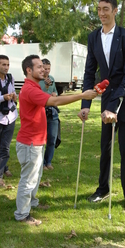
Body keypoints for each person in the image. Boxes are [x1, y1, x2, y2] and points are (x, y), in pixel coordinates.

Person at [14, 55, 97, 226]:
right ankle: (22, 214)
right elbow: (55, 101)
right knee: (28, 179)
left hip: (35, 141)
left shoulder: (34, 86)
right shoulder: (30, 89)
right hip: (30, 143)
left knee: (35, 176)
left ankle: (32, 203)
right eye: (38, 67)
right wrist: (83, 95)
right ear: (28, 70)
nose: (43, 69)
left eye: (43, 67)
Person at [78, 0, 125, 213]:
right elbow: (89, 71)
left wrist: (113, 106)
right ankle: (102, 189)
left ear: (115, 10)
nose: (102, 13)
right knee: (105, 148)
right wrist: (85, 104)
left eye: (106, 9)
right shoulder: (93, 37)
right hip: (107, 100)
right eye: (99, 9)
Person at [0, 55, 18, 187]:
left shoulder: (10, 78)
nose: (6, 67)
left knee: (5, 147)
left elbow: (13, 93)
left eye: (7, 64)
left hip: (10, 117)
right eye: (3, 65)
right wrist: (3, 97)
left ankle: (1, 173)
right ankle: (4, 169)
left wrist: (14, 96)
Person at [39, 58, 59, 170]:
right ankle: (41, 163)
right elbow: (39, 96)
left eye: (49, 68)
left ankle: (48, 162)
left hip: (52, 111)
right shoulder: (38, 80)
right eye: (45, 68)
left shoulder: (52, 79)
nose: (47, 71)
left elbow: (55, 91)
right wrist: (46, 89)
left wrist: (54, 94)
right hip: (41, 111)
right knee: (41, 138)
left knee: (52, 137)